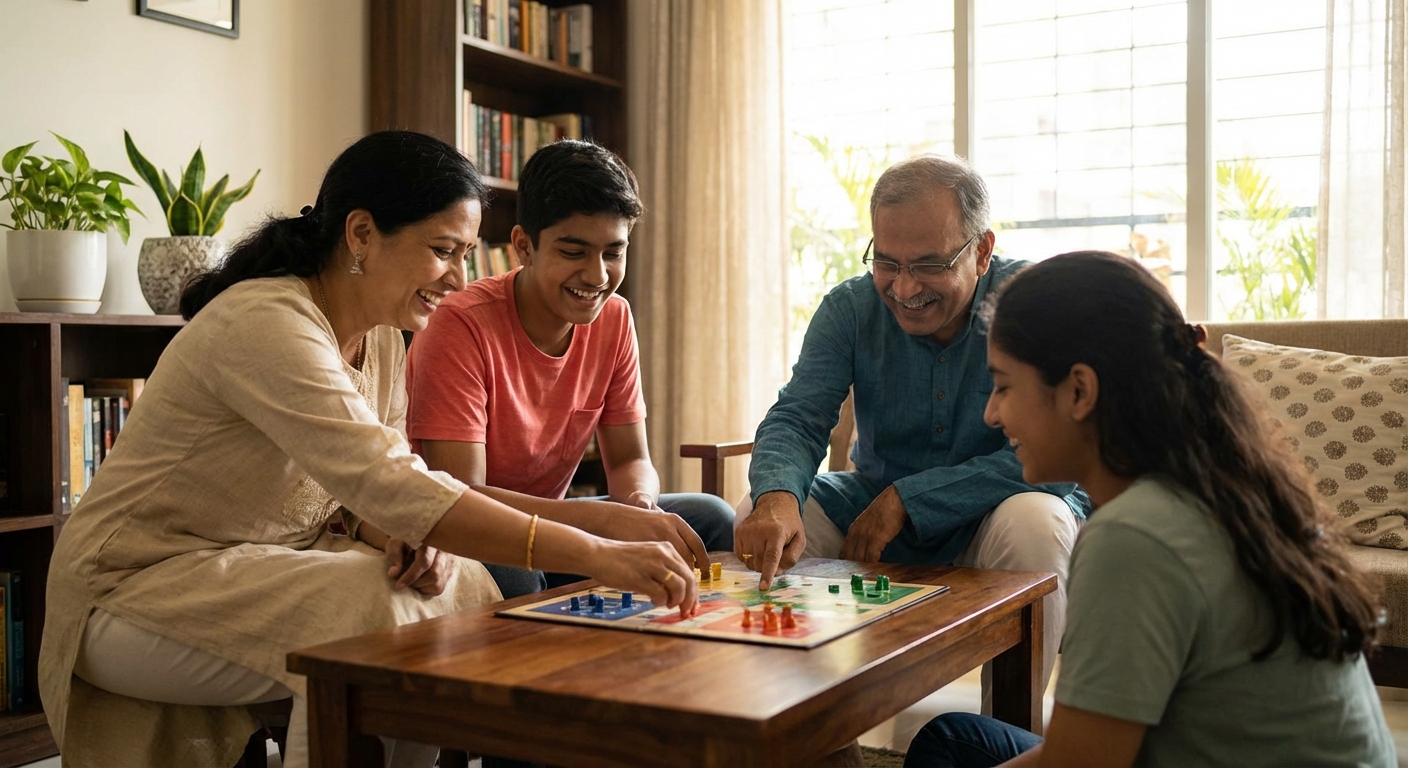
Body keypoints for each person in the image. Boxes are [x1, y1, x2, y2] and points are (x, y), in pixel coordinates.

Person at [38, 131, 698, 768]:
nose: (458, 277)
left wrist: (400, 535)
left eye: (467, 254)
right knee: (374, 608)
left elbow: (365, 496)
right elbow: (387, 478)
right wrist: (599, 551)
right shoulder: (265, 321)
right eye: (444, 251)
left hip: (260, 565)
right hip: (131, 586)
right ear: (361, 235)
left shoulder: (382, 334)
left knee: (452, 579)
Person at [904, 251, 1394, 768]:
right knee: (954, 740)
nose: (992, 413)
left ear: (1079, 390)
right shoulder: (1221, 483)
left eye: (1003, 386)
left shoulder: (1135, 536)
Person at [735, 154, 1086, 697]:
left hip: (993, 515)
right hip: (868, 505)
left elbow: (1059, 456)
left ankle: (1012, 731)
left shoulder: (1032, 303)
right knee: (763, 518)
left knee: (1037, 521)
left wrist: (911, 498)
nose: (903, 288)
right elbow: (799, 416)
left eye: (927, 264)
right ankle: (814, 729)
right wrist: (776, 496)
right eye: (887, 262)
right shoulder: (848, 309)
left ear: (983, 251)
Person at [406, 139, 735, 598]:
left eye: (613, 253)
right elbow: (464, 494)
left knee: (712, 519)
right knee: (517, 574)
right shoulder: (458, 323)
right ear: (524, 246)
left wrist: (639, 507)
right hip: (473, 528)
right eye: (574, 252)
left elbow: (629, 459)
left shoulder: (614, 317)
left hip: (561, 522)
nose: (598, 276)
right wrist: (604, 520)